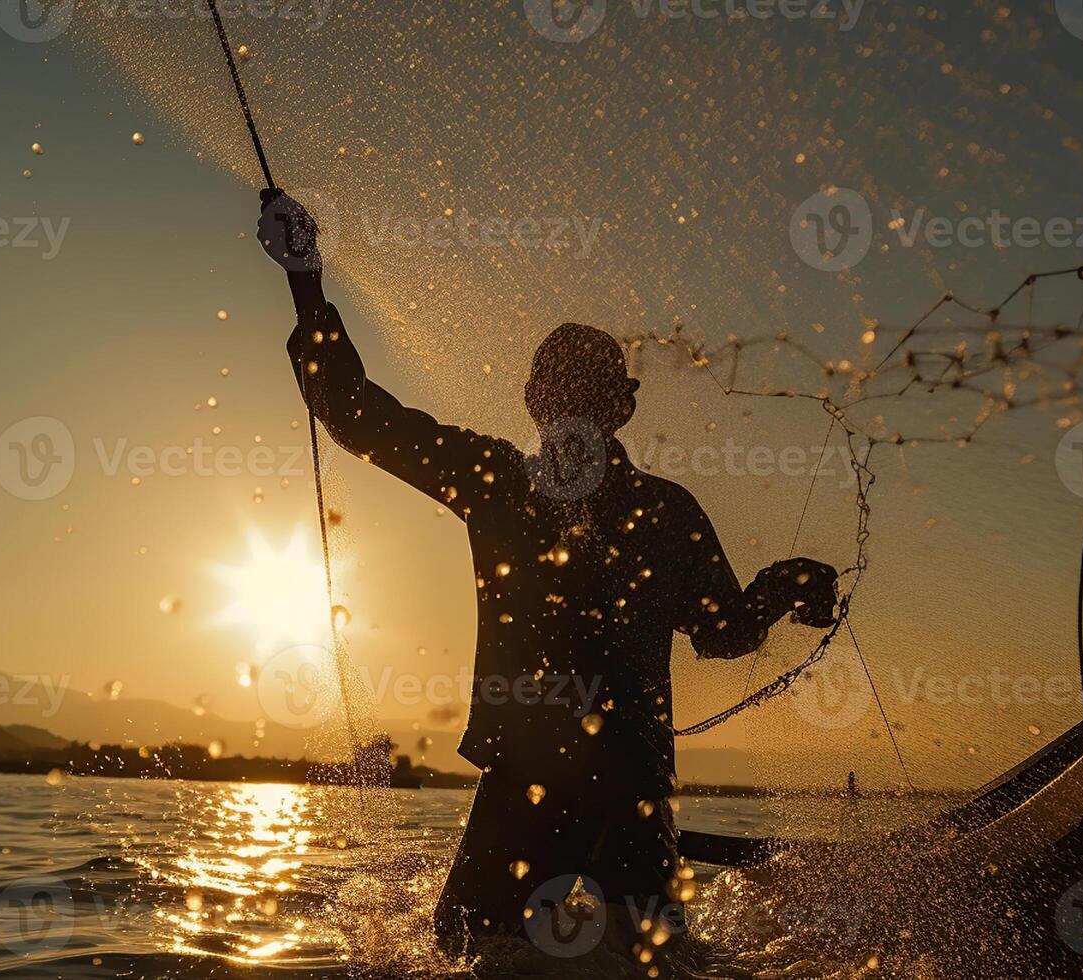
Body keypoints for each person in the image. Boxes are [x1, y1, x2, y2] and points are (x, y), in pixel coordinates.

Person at [256, 190, 839, 959]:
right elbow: (724, 633)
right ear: (620, 410)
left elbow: (351, 411)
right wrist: (787, 585)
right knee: (649, 962)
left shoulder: (498, 484)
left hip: (524, 788)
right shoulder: (665, 511)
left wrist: (305, 276)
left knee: (468, 949)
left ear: (533, 402)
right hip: (633, 797)